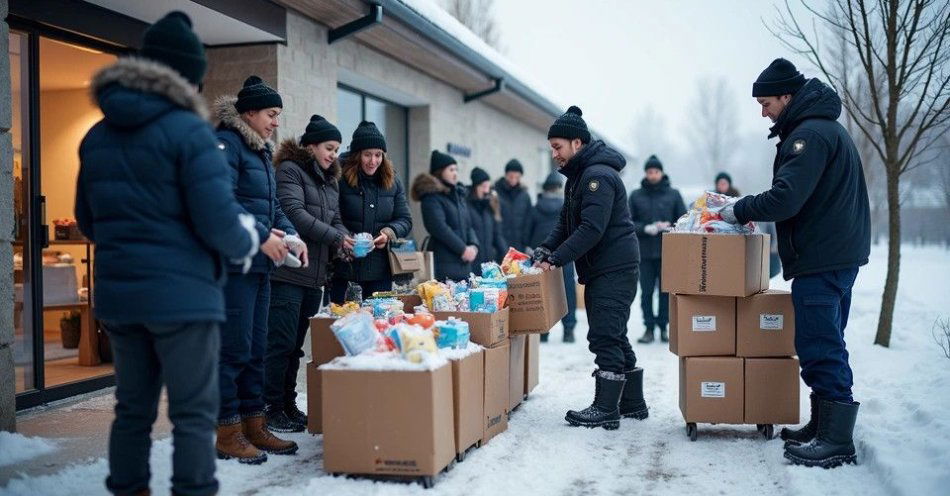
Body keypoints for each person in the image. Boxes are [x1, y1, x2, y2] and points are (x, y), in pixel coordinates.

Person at [76, 11, 259, 495]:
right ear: (186, 77)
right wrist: (249, 243)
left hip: (121, 299)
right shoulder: (189, 132)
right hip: (184, 301)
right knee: (193, 414)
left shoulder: (97, 135)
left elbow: (88, 221)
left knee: (132, 411)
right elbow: (220, 222)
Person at [721, 58, 870, 468]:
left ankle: (837, 440)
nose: (763, 111)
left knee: (820, 345)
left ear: (787, 96)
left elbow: (786, 198)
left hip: (822, 257)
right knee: (823, 340)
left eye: (766, 102)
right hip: (833, 254)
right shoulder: (821, 129)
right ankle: (823, 426)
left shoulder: (809, 136)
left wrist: (740, 209)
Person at [533, 106, 647, 430]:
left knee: (604, 335)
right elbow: (566, 223)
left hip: (614, 267)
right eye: (551, 147)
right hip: (606, 268)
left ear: (577, 144)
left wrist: (555, 259)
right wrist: (546, 247)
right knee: (615, 333)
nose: (553, 154)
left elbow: (590, 230)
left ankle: (606, 408)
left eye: (558, 147)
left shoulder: (598, 177)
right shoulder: (579, 177)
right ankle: (633, 403)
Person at [214, 75, 304, 463]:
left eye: (279, 114)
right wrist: (264, 234)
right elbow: (220, 202)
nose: (276, 122)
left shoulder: (261, 151)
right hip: (233, 265)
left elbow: (272, 207)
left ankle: (254, 425)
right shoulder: (227, 145)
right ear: (248, 112)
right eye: (271, 114)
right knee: (232, 349)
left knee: (255, 349)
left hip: (260, 267)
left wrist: (293, 235)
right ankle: (227, 430)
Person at [264, 115, 349, 432]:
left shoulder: (330, 180)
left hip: (315, 276)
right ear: (311, 145)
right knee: (280, 344)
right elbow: (293, 214)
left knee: (296, 346)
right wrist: (334, 237)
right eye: (329, 147)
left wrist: (345, 238)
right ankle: (270, 406)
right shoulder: (290, 170)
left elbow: (337, 219)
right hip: (289, 273)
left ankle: (287, 404)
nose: (333, 155)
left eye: (337, 149)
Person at [330, 121, 413, 302]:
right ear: (357, 154)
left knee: (379, 324)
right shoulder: (339, 178)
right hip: (345, 269)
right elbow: (330, 215)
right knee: (343, 324)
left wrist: (388, 233)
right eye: (367, 155)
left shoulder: (393, 181)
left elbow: (405, 219)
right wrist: (346, 238)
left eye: (378, 155)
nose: (373, 161)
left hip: (380, 272)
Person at [628, 155, 686, 344]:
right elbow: (627, 222)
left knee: (665, 291)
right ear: (646, 173)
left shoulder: (673, 194)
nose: (653, 175)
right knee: (645, 292)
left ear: (661, 173)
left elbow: (685, 220)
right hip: (643, 253)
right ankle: (649, 328)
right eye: (649, 172)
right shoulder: (636, 195)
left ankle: (663, 327)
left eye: (656, 172)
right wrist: (645, 228)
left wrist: (670, 226)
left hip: (667, 252)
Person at [411, 150, 479, 281]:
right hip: (443, 265)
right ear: (440, 171)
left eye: (456, 170)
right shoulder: (431, 197)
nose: (455, 173)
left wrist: (474, 246)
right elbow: (439, 228)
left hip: (464, 265)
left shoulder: (458, 196)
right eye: (451, 170)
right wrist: (463, 249)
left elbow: (469, 226)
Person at [527, 171, 577, 343]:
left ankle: (544, 331)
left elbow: (528, 232)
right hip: (564, 253)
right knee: (567, 292)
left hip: (540, 256)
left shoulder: (535, 209)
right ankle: (569, 330)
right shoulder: (566, 207)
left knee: (543, 293)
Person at [467, 167, 508, 274]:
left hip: (488, 264)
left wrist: (507, 256)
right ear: (476, 187)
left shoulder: (490, 207)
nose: (486, 190)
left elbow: (497, 235)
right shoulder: (467, 206)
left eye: (488, 186)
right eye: (483, 186)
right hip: (472, 263)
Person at [495, 158, 533, 252]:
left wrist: (525, 242)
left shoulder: (525, 196)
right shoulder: (496, 193)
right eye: (511, 176)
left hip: (519, 247)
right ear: (506, 175)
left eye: (517, 177)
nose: (513, 180)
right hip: (500, 247)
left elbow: (529, 221)